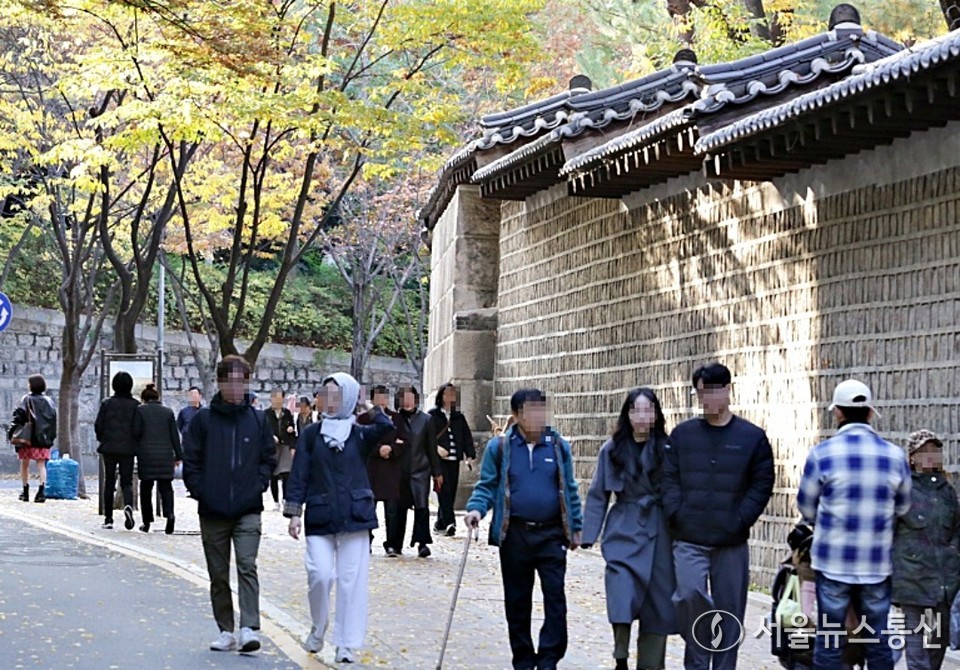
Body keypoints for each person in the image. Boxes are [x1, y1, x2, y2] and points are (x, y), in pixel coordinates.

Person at [661, 362, 774, 670]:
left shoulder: (752, 438)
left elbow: (762, 483)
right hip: (689, 537)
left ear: (727, 390)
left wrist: (741, 519)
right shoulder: (682, 436)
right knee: (689, 594)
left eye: (712, 391)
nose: (706, 399)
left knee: (729, 614)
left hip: (731, 540)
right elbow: (668, 479)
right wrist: (677, 513)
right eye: (700, 393)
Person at [465, 388, 584, 670]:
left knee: (555, 596)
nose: (539, 416)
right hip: (514, 533)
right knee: (517, 601)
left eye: (542, 410)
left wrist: (576, 527)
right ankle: (523, 658)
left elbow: (569, 488)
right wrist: (475, 509)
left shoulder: (557, 446)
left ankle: (549, 658)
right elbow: (487, 485)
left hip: (551, 533)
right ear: (516, 415)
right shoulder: (501, 447)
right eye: (531, 411)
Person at [797, 378, 911, 670]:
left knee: (829, 641)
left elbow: (806, 507)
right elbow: (904, 507)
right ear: (871, 413)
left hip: (832, 563)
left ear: (837, 413)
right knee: (877, 639)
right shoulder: (895, 456)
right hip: (876, 564)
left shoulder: (822, 454)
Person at [285, 372, 394, 663]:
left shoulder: (359, 433)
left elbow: (386, 426)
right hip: (320, 515)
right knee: (319, 575)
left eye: (336, 396)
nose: (329, 402)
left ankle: (346, 643)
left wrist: (367, 407)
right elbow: (299, 474)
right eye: (325, 395)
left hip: (355, 515)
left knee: (351, 581)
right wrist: (294, 512)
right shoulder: (311, 434)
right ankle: (318, 627)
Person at [182, 355, 276, 654]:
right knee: (218, 573)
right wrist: (201, 491)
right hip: (213, 510)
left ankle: (249, 626)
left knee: (247, 565)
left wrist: (258, 485)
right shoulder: (203, 420)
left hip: (248, 508)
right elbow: (191, 461)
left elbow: (268, 459)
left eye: (242, 381)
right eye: (231, 381)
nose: (236, 388)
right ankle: (225, 629)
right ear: (221, 383)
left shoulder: (258, 419)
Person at [582, 387, 677, 670]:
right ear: (628, 414)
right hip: (624, 526)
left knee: (657, 601)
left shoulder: (669, 449)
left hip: (660, 529)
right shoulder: (611, 449)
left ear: (657, 414)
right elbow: (598, 494)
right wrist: (587, 534)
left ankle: (651, 664)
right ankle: (620, 654)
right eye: (636, 409)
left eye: (649, 409)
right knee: (621, 590)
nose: (642, 416)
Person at [892, 429, 959, 670]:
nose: (931, 456)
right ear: (912, 457)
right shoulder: (902, 489)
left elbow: (956, 528)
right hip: (911, 576)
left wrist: (953, 556)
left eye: (935, 451)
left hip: (944, 577)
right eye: (925, 451)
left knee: (940, 636)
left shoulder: (947, 491)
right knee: (915, 635)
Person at [385, 385, 442, 558]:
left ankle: (422, 543)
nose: (408, 402)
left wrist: (436, 472)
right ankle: (393, 544)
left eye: (410, 397)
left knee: (421, 507)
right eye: (404, 398)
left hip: (420, 470)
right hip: (397, 470)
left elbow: (431, 448)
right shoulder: (392, 420)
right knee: (395, 509)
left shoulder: (426, 420)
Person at [358, 385, 405, 556]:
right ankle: (366, 540)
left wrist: (391, 449)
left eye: (384, 397)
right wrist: (378, 449)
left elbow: (405, 441)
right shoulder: (363, 419)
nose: (382, 400)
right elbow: (360, 441)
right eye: (378, 397)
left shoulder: (397, 418)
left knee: (392, 509)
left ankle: (391, 543)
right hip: (371, 468)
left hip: (391, 468)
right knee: (368, 507)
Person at [132, 383, 182, 534]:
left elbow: (136, 432)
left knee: (146, 488)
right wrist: (178, 455)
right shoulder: (168, 412)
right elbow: (175, 436)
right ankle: (170, 515)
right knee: (166, 487)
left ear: (143, 398)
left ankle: (147, 521)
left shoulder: (139, 411)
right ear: (157, 397)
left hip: (146, 455)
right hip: (165, 455)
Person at [428, 383, 476, 537]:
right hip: (439, 460)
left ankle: (440, 523)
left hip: (455, 460)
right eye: (446, 394)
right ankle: (450, 523)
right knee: (443, 490)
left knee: (451, 491)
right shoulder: (432, 415)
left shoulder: (458, 417)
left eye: (452, 395)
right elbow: (426, 437)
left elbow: (466, 437)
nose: (449, 398)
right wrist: (436, 448)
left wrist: (469, 455)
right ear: (440, 396)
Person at [95, 371, 140, 530]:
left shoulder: (107, 404)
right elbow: (137, 428)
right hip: (128, 448)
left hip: (109, 447)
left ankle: (108, 518)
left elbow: (98, 425)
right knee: (126, 481)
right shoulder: (135, 405)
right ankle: (128, 505)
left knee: (109, 481)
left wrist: (103, 439)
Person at [7, 374, 57, 503]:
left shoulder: (26, 399)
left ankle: (25, 490)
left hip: (27, 438)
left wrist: (11, 431)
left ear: (32, 385)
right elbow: (53, 420)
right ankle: (41, 491)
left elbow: (19, 416)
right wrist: (50, 437)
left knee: (25, 464)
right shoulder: (49, 401)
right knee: (41, 464)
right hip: (43, 438)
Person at [266, 388, 297, 512]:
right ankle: (275, 501)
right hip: (272, 447)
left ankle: (285, 498)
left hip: (284, 446)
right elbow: (264, 430)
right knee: (273, 474)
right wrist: (271, 437)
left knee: (286, 473)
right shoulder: (266, 414)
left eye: (279, 398)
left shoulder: (287, 413)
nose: (277, 400)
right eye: (275, 397)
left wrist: (290, 430)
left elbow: (292, 429)